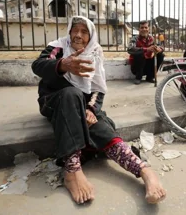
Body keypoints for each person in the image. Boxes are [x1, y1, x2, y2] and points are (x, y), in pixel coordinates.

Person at [31, 16, 166, 205]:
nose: (78, 35)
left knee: (99, 125)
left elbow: (97, 88)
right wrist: (62, 65)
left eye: (84, 31)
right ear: (69, 32)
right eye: (75, 30)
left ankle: (144, 171)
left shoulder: (95, 52)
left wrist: (91, 109)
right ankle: (72, 171)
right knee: (71, 94)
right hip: (54, 101)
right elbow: (37, 65)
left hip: (81, 105)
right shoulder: (58, 47)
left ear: (91, 35)